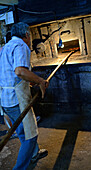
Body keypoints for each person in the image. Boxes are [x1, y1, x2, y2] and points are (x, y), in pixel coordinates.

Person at [0, 22, 49, 170]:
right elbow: (19, 71)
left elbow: (9, 72)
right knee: (31, 135)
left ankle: (34, 154)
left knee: (23, 131)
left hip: (5, 98)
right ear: (27, 35)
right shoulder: (21, 45)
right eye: (30, 35)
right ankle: (20, 168)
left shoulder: (5, 47)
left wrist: (30, 81)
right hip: (16, 100)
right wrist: (40, 80)